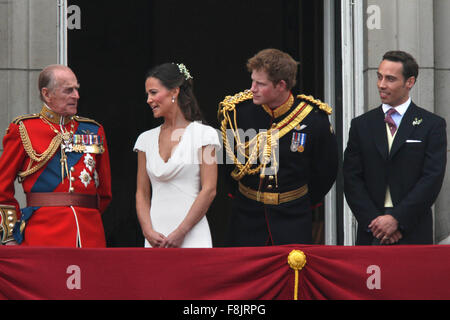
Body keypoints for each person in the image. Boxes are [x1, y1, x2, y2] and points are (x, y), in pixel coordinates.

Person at [219, 48, 338, 246]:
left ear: (281, 85)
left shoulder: (314, 118)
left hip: (292, 219)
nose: (252, 89)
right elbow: (228, 164)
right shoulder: (239, 113)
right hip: (246, 219)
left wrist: (299, 201)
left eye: (260, 84)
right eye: (252, 81)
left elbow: (326, 171)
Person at [0, 64, 112, 247]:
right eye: (68, 90)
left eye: (76, 89)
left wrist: (87, 214)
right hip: (42, 235)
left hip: (89, 234)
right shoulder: (24, 129)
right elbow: (2, 187)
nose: (76, 96)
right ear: (46, 94)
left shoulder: (93, 130)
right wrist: (10, 235)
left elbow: (105, 193)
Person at [343, 50, 447, 245]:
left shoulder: (431, 125)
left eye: (390, 79)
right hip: (371, 230)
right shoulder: (361, 124)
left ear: (410, 82)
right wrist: (375, 223)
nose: (381, 85)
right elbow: (351, 178)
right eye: (379, 77)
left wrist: (397, 219)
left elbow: (431, 178)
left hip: (413, 228)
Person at [134, 63, 219, 248]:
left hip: (192, 235)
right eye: (147, 94)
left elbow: (209, 189)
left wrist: (181, 232)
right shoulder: (144, 140)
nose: (149, 99)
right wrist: (147, 230)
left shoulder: (205, 135)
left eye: (154, 92)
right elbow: (141, 192)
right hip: (155, 237)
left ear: (174, 92)